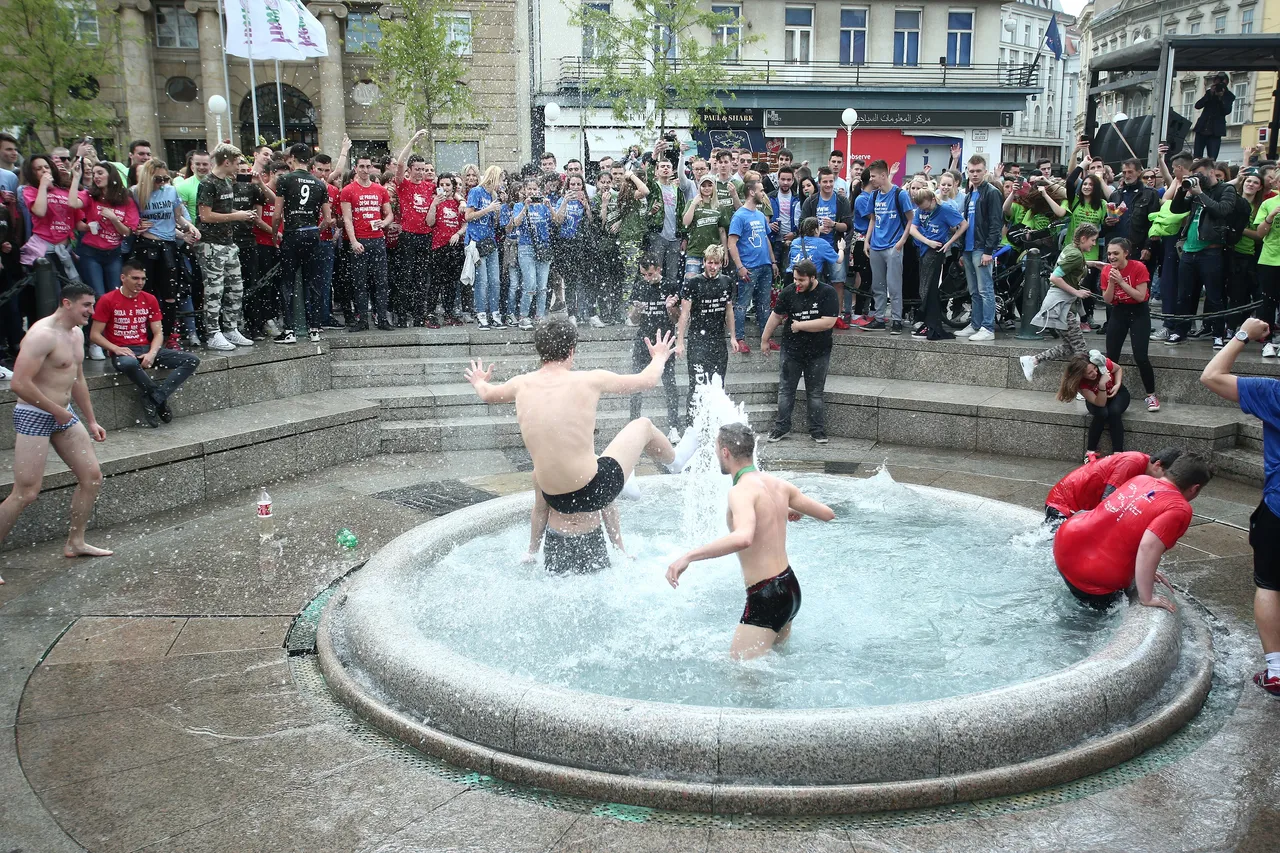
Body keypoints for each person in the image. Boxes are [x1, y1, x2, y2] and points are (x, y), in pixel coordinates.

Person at [464, 316, 684, 518]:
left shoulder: (520, 383)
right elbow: (648, 380)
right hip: (593, 491)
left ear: (540, 351)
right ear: (571, 351)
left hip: (555, 498)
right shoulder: (590, 379)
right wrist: (659, 357)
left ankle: (627, 482)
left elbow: (487, 394)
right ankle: (675, 462)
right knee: (643, 425)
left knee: (579, 451)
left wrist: (479, 380)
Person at [665, 422, 835, 660]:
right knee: (774, 664)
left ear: (725, 452)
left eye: (716, 449)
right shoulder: (778, 485)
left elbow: (743, 538)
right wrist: (785, 510)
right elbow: (827, 514)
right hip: (790, 588)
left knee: (741, 673)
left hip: (766, 593)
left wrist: (688, 556)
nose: (716, 455)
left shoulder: (740, 491)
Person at [0, 282, 111, 559]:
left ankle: (76, 542)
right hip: (34, 414)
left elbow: (78, 379)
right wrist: (56, 410)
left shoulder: (76, 334)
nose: (91, 311)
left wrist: (91, 420)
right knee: (26, 492)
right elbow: (19, 383)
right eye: (86, 305)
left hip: (64, 413)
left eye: (93, 305)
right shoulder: (42, 335)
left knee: (92, 477)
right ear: (67, 303)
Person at [1199, 316, 1280, 695]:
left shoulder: (1273, 392)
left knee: (1270, 585)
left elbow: (1212, 376)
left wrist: (1244, 333)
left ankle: (1276, 671)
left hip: (1278, 510)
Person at [1053, 453, 1212, 611]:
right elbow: (1148, 547)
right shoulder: (1178, 508)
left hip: (1065, 544)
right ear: (1195, 488)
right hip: (1093, 577)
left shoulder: (1141, 479)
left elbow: (1119, 523)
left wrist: (1146, 572)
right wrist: (1147, 597)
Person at [88, 260, 200, 427]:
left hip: (147, 348)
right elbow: (94, 335)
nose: (140, 282)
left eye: (143, 279)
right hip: (123, 351)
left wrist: (152, 353)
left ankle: (155, 398)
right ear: (123, 278)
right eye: (135, 278)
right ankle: (158, 398)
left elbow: (158, 333)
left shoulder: (150, 299)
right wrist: (115, 348)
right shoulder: (107, 300)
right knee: (129, 363)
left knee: (192, 360)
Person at [762, 259, 838, 444]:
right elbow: (776, 316)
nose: (797, 283)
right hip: (792, 350)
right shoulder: (789, 292)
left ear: (813, 278)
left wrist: (800, 325)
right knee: (786, 390)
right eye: (795, 279)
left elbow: (828, 322)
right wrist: (765, 339)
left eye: (801, 280)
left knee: (815, 392)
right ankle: (781, 427)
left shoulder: (828, 292)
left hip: (818, 351)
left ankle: (817, 430)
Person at [1168, 157, 1238, 346]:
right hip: (1189, 251)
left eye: (1199, 174)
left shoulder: (1226, 189)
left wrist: (1200, 193)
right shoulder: (1196, 192)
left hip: (1211, 252)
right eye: (1194, 175)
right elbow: (1176, 209)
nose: (1197, 178)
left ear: (1211, 172)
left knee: (1214, 296)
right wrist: (1182, 190)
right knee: (1184, 295)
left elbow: (1222, 210)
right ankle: (1180, 330)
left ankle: (1218, 334)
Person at [194, 144, 256, 351]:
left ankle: (231, 328)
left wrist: (242, 214)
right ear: (227, 162)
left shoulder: (227, 182)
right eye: (237, 163)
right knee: (214, 290)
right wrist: (237, 216)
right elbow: (205, 216)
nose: (239, 167)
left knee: (236, 289)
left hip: (229, 244)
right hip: (211, 244)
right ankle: (212, 333)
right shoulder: (208, 184)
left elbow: (224, 209)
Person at [1023, 224, 1098, 380]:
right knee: (1081, 350)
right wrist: (1077, 292)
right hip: (1062, 306)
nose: (1094, 243)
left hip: (1060, 305)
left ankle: (1033, 360)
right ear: (1083, 238)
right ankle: (1078, 385)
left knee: (1068, 347)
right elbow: (1055, 277)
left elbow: (1069, 266)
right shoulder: (1076, 255)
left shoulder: (1072, 248)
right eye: (1092, 240)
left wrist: (1093, 264)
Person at [1044, 448, 1184, 528]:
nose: (1165, 482)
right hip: (1062, 504)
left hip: (1075, 506)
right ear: (1158, 465)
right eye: (1165, 476)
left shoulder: (1144, 470)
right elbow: (1109, 503)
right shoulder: (1133, 462)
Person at [1100, 238, 1160, 412]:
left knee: (1140, 356)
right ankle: (1106, 389)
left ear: (1126, 253)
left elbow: (1140, 296)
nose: (1111, 257)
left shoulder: (1138, 267)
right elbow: (1107, 299)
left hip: (1139, 312)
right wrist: (1112, 282)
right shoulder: (1107, 270)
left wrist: (1121, 281)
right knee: (1111, 355)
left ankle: (1151, 395)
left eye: (1116, 253)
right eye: (1109, 253)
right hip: (1119, 311)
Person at [677, 243, 734, 424]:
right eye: (710, 262)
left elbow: (729, 311)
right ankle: (691, 425)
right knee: (697, 385)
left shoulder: (727, 282)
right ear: (704, 262)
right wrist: (680, 341)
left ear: (721, 264)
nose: (713, 267)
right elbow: (684, 314)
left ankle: (714, 424)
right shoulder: (693, 283)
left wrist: (733, 337)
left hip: (718, 340)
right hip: (698, 341)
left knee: (718, 385)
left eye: (716, 263)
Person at [525, 473, 625, 574]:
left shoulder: (598, 468)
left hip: (592, 538)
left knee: (600, 578)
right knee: (555, 581)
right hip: (557, 540)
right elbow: (540, 511)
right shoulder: (543, 471)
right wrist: (532, 552)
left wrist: (620, 551)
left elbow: (609, 510)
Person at [341, 153, 394, 331]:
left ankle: (382, 319)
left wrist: (384, 223)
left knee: (381, 282)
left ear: (371, 167)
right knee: (359, 282)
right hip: (360, 240)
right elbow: (347, 219)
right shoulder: (348, 190)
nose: (365, 170)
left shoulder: (380, 190)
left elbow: (389, 214)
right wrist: (354, 241)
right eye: (361, 166)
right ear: (356, 168)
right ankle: (362, 319)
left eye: (367, 166)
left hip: (377, 240)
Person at [627, 255, 681, 430]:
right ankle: (633, 425)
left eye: (650, 274)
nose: (647, 278)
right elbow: (633, 320)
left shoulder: (670, 285)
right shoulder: (640, 286)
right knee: (636, 384)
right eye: (643, 274)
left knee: (670, 384)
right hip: (644, 341)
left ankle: (673, 427)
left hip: (664, 342)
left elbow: (677, 319)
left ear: (658, 269)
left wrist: (670, 307)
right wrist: (637, 310)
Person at [727, 173, 777, 353]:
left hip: (765, 266)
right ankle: (739, 338)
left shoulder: (761, 215)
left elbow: (766, 239)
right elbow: (731, 243)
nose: (764, 194)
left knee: (764, 303)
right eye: (761, 190)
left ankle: (766, 337)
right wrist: (740, 266)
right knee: (742, 303)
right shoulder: (739, 216)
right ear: (751, 192)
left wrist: (773, 261)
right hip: (748, 267)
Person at [863, 160, 914, 335]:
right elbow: (873, 219)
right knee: (878, 285)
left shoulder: (900, 194)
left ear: (883, 175)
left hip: (893, 245)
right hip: (876, 245)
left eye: (873, 176)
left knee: (894, 285)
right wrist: (867, 240)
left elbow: (910, 219)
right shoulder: (874, 196)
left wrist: (901, 241)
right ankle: (879, 318)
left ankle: (896, 320)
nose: (871, 179)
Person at [908, 187, 966, 341]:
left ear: (933, 200)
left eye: (926, 207)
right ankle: (928, 322)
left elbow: (964, 224)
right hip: (925, 248)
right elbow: (913, 229)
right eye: (922, 208)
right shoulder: (921, 210)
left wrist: (949, 242)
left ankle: (931, 324)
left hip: (936, 251)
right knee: (924, 288)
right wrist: (927, 241)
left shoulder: (945, 209)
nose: (924, 211)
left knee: (928, 288)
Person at [957, 154, 1004, 342]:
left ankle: (987, 327)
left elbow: (995, 223)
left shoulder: (992, 193)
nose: (975, 174)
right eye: (971, 171)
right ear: (967, 172)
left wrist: (988, 251)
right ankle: (976, 324)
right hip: (969, 248)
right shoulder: (969, 195)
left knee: (985, 290)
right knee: (974, 290)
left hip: (981, 248)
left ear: (985, 171)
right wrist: (962, 250)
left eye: (978, 171)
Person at [1059, 352, 1128, 458]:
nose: (1095, 373)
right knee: (1102, 413)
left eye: (1095, 369)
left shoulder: (1101, 363)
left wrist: (1117, 384)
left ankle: (1118, 452)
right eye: (1090, 373)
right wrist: (1102, 384)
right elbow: (1100, 403)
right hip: (1097, 399)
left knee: (1114, 412)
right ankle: (1090, 451)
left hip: (1117, 394)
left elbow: (1118, 369)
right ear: (1081, 375)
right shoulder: (1081, 383)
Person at [465, 165, 504, 329]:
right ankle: (481, 314)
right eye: (501, 179)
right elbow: (468, 216)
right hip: (477, 241)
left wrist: (497, 210)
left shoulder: (492, 195)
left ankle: (495, 313)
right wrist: (488, 209)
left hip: (490, 242)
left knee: (495, 281)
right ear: (494, 177)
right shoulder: (476, 192)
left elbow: (493, 223)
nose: (502, 183)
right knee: (482, 281)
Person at [425, 172, 467, 327]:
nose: (444, 188)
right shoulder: (435, 201)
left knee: (451, 283)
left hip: (455, 246)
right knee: (435, 282)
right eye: (441, 185)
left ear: (453, 187)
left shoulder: (458, 203)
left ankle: (449, 313)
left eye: (448, 185)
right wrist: (433, 205)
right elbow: (430, 223)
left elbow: (465, 224)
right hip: (438, 246)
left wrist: (458, 233)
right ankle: (430, 314)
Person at [682, 175, 729, 280]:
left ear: (714, 187)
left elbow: (722, 231)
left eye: (709, 185)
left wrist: (725, 252)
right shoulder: (692, 203)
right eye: (703, 186)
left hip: (713, 254)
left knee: (713, 283)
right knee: (690, 282)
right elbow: (685, 222)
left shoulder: (720, 206)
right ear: (699, 187)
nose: (706, 188)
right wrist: (694, 204)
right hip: (694, 251)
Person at [1193, 73, 1235, 160]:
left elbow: (1227, 111)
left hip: (1215, 131)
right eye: (1217, 83)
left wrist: (1221, 98)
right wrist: (1210, 95)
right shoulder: (1209, 93)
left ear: (1226, 83)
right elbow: (1197, 106)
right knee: (1197, 157)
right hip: (1202, 128)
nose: (1218, 86)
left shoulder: (1229, 96)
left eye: (1221, 83)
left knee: (1212, 159)